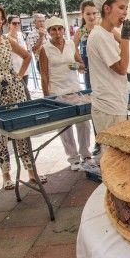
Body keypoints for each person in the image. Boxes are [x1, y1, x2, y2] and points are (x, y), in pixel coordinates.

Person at [0, 1, 44, 190]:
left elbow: (27, 56)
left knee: (23, 133)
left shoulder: (5, 39)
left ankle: (31, 172)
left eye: (1, 18)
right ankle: (6, 175)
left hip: (15, 93)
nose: (0, 21)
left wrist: (18, 77)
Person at [87, 0, 130, 165]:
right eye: (121, 7)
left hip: (114, 103)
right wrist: (126, 39)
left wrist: (128, 74)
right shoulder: (99, 36)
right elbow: (121, 68)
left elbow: (115, 67)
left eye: (126, 8)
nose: (125, 12)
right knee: (115, 161)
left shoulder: (107, 34)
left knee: (119, 159)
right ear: (107, 8)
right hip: (108, 107)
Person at [39, 17, 93, 171]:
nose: (57, 32)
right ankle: (73, 158)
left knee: (83, 123)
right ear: (49, 32)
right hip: (56, 92)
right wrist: (47, 97)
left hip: (74, 90)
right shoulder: (45, 49)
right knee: (65, 127)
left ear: (64, 29)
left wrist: (75, 65)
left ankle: (86, 154)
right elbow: (44, 74)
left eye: (60, 29)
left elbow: (81, 64)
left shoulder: (70, 44)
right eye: (53, 29)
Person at [73, 0, 100, 155]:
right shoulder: (81, 31)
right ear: (82, 15)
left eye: (94, 13)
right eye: (88, 14)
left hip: (102, 69)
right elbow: (73, 46)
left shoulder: (100, 28)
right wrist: (80, 62)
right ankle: (98, 140)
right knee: (94, 104)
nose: (91, 17)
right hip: (89, 71)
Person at [6, 15, 31, 100]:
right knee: (27, 96)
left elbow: (27, 51)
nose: (17, 25)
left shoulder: (21, 35)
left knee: (22, 95)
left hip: (25, 69)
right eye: (14, 23)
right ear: (9, 24)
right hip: (15, 72)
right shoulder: (6, 38)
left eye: (18, 23)